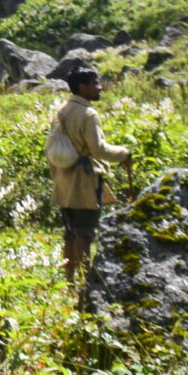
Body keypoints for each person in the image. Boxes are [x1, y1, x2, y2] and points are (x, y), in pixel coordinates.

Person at [47, 63, 129, 291]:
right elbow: (99, 150)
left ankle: (69, 281)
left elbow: (52, 149)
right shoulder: (88, 114)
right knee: (85, 232)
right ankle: (84, 282)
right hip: (85, 180)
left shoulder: (62, 111)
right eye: (95, 83)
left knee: (70, 233)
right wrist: (124, 153)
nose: (99, 87)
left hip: (64, 180)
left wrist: (57, 178)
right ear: (82, 87)